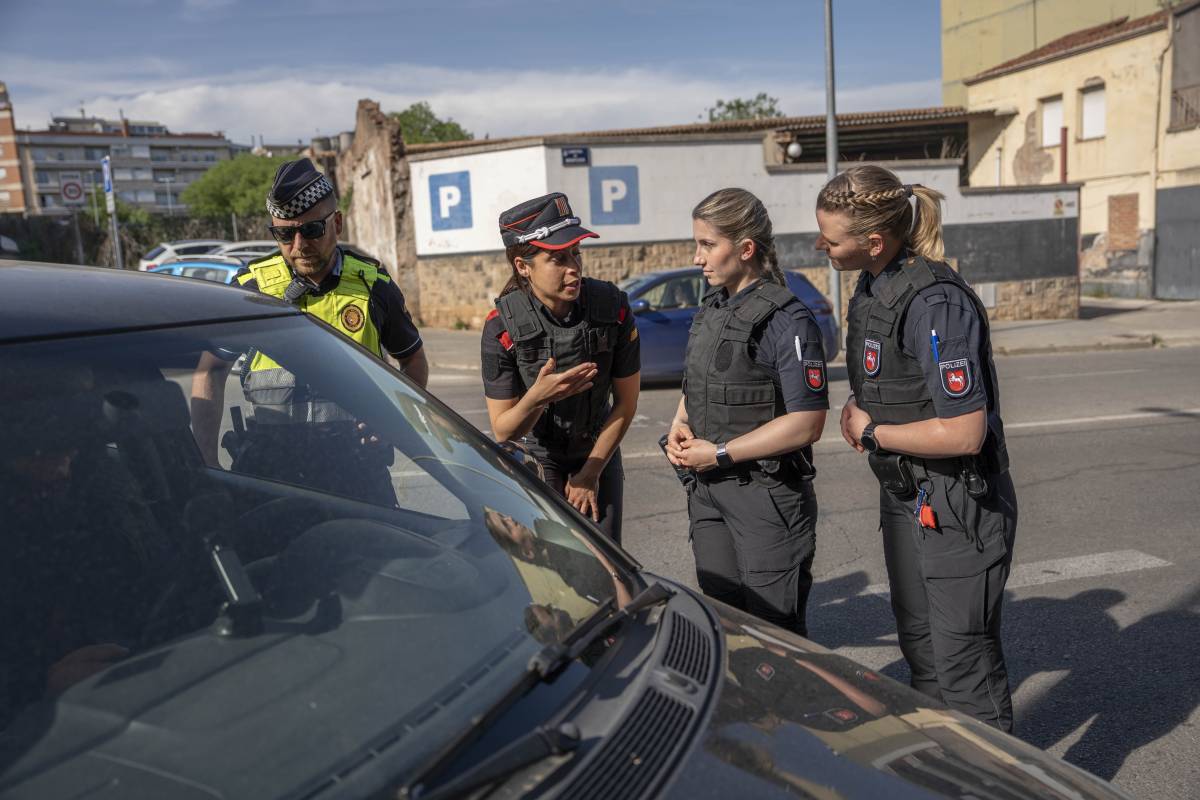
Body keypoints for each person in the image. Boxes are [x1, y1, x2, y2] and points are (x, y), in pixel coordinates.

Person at [815, 164, 1018, 732]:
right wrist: (859, 404)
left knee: (963, 665)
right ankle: (941, 764)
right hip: (907, 491)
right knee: (922, 650)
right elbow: (893, 380)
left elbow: (965, 432)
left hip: (958, 500)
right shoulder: (874, 286)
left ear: (874, 241)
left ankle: (995, 773)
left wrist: (872, 432)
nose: (821, 246)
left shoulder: (935, 302)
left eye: (831, 238)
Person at [191, 159, 427, 505]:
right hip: (272, 472)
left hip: (357, 471)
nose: (299, 244)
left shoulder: (373, 286)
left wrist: (394, 424)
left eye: (312, 230)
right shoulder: (251, 290)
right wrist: (207, 464)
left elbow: (414, 361)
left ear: (338, 223)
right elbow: (210, 371)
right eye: (285, 234)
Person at [666, 188, 828, 638]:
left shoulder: (787, 319)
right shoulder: (713, 307)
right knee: (726, 626)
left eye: (707, 244)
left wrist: (719, 453)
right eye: (697, 243)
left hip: (764, 496)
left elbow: (808, 422)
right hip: (708, 492)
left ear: (746, 248)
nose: (697, 257)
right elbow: (699, 383)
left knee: (775, 636)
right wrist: (680, 423)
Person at [481, 193, 640, 544]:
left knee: (607, 559)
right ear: (523, 266)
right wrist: (538, 397)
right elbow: (504, 431)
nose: (574, 268)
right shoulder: (501, 327)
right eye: (558, 259)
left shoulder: (612, 307)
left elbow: (626, 404)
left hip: (598, 450)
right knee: (555, 559)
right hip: (541, 456)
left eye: (576, 254)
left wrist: (590, 473)